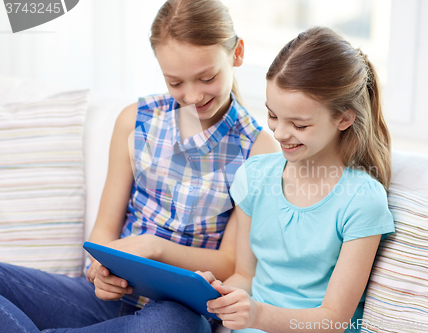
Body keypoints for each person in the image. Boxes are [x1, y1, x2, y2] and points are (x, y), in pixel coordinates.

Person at [0, 0, 277, 332]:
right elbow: (104, 230)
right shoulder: (134, 121)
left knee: (167, 325)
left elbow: (231, 261)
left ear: (237, 54)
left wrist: (155, 248)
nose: (191, 96)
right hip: (105, 299)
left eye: (206, 78)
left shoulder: (258, 149)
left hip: (178, 312)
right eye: (175, 83)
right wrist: (99, 270)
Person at [198, 27, 396, 333]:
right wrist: (220, 295)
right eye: (273, 116)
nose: (279, 134)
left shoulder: (362, 199)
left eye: (299, 125)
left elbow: (334, 318)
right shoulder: (255, 176)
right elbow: (245, 276)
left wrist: (258, 316)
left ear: (343, 118)